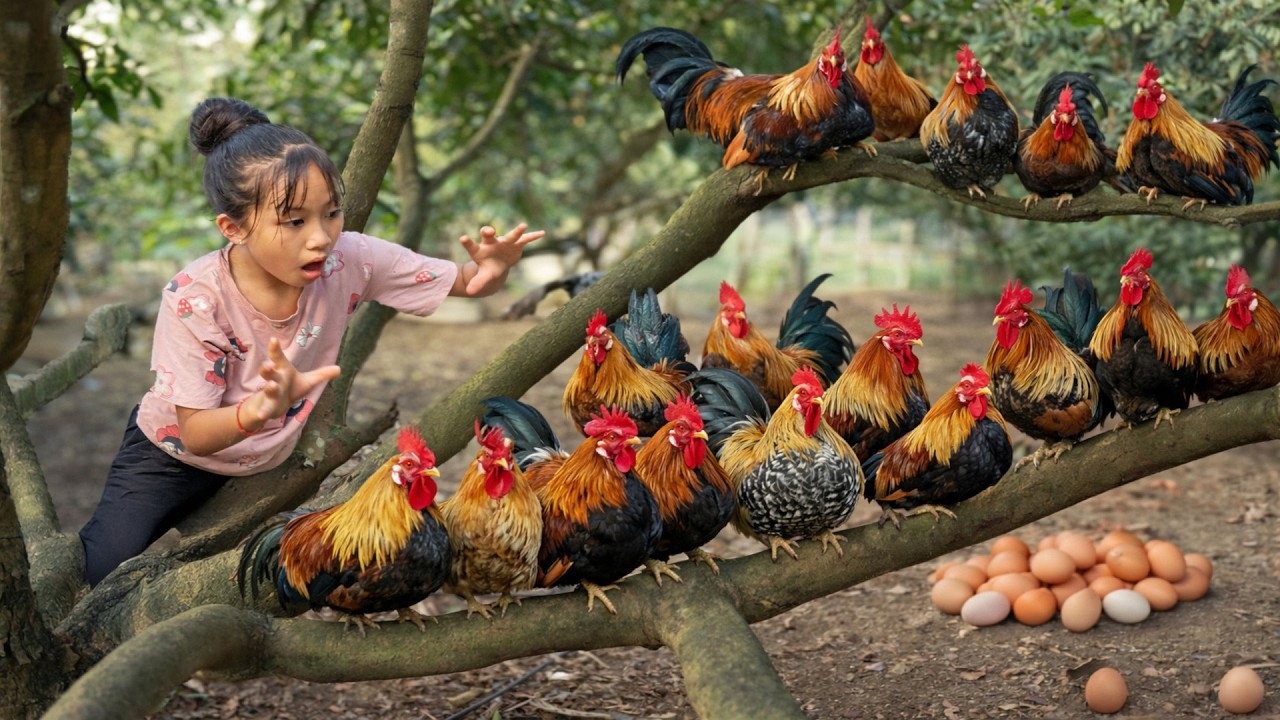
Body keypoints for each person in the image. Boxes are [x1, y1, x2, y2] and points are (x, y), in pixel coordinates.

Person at [78, 97, 545, 585]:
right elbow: (194, 432)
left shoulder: (349, 259)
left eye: (332, 213)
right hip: (170, 459)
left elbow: (464, 282)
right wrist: (258, 410)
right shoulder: (196, 298)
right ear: (233, 228)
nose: (322, 238)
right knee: (107, 567)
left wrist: (491, 271)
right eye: (295, 221)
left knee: (248, 581)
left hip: (267, 467)